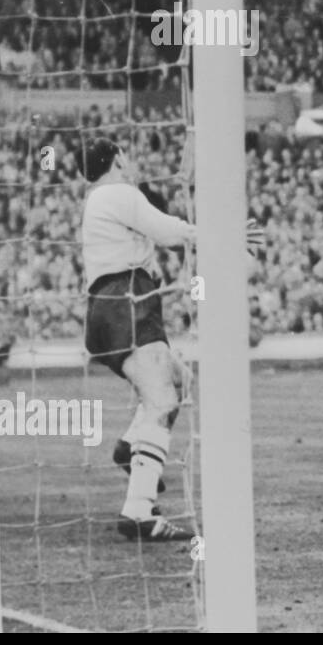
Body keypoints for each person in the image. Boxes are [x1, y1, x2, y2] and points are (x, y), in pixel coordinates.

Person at [82, 139, 198, 541]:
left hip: (119, 305)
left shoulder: (98, 201)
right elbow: (168, 232)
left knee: (180, 383)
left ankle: (129, 448)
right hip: (124, 303)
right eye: (127, 156)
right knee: (163, 400)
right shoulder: (116, 192)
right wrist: (214, 235)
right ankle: (138, 512)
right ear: (117, 160)